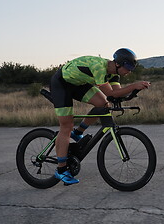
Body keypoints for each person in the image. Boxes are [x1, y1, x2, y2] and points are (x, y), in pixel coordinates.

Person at [50, 48, 150, 185]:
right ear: (118, 64)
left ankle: (78, 133)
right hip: (61, 83)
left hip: (78, 84)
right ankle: (61, 170)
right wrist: (134, 86)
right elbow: (112, 93)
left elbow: (117, 93)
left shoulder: (114, 75)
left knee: (103, 104)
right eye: (128, 67)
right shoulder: (99, 67)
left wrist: (134, 91)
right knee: (66, 126)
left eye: (132, 68)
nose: (129, 71)